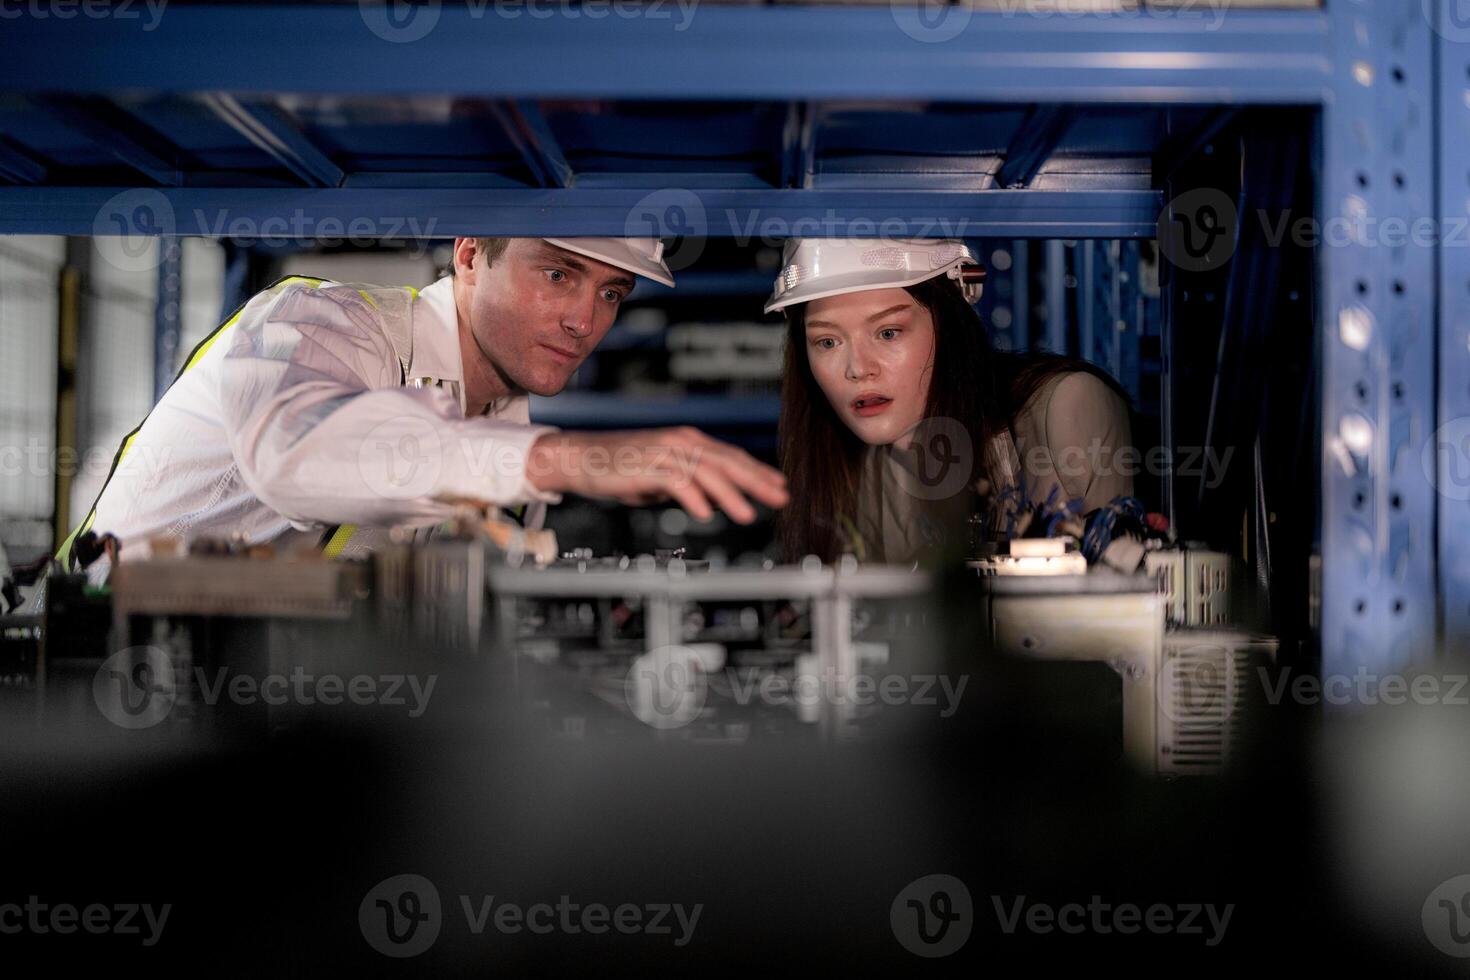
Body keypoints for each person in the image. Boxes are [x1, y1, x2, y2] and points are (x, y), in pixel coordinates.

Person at [60, 236, 788, 570]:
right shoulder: (318, 323)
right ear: (470, 255)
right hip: (87, 684)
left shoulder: (501, 419)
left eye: (609, 293)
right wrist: (568, 457)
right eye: (559, 274)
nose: (584, 320)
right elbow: (299, 453)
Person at [768, 237, 1133, 565]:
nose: (858, 369)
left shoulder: (1066, 409)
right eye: (828, 342)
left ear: (950, 325)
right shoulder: (866, 468)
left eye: (888, 332)